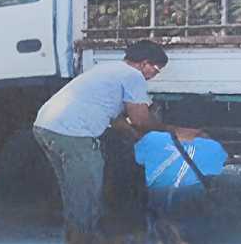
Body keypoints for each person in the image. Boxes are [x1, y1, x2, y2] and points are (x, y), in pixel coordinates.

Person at [32, 40, 203, 244]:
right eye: (156, 70)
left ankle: (78, 237)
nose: (153, 76)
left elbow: (115, 118)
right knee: (86, 197)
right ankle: (81, 239)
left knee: (75, 194)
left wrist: (134, 136)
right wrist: (175, 132)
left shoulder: (109, 69)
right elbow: (141, 120)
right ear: (144, 63)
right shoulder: (133, 76)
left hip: (46, 127)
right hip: (73, 134)